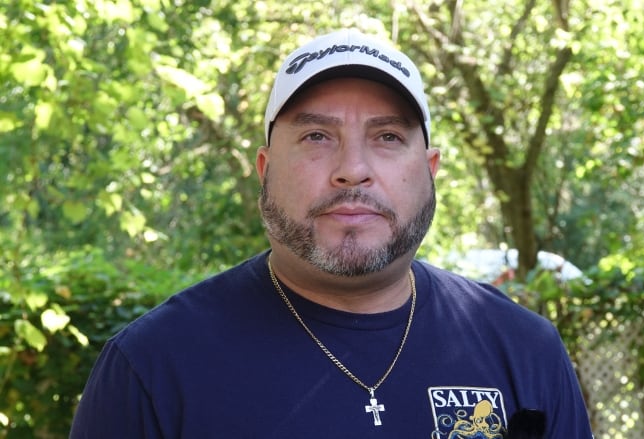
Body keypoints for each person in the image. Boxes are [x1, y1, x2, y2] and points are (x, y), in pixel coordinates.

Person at [70, 28, 593, 438]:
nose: (352, 169)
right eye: (317, 135)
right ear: (265, 168)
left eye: (387, 136)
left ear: (430, 170)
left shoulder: (526, 351)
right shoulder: (154, 366)